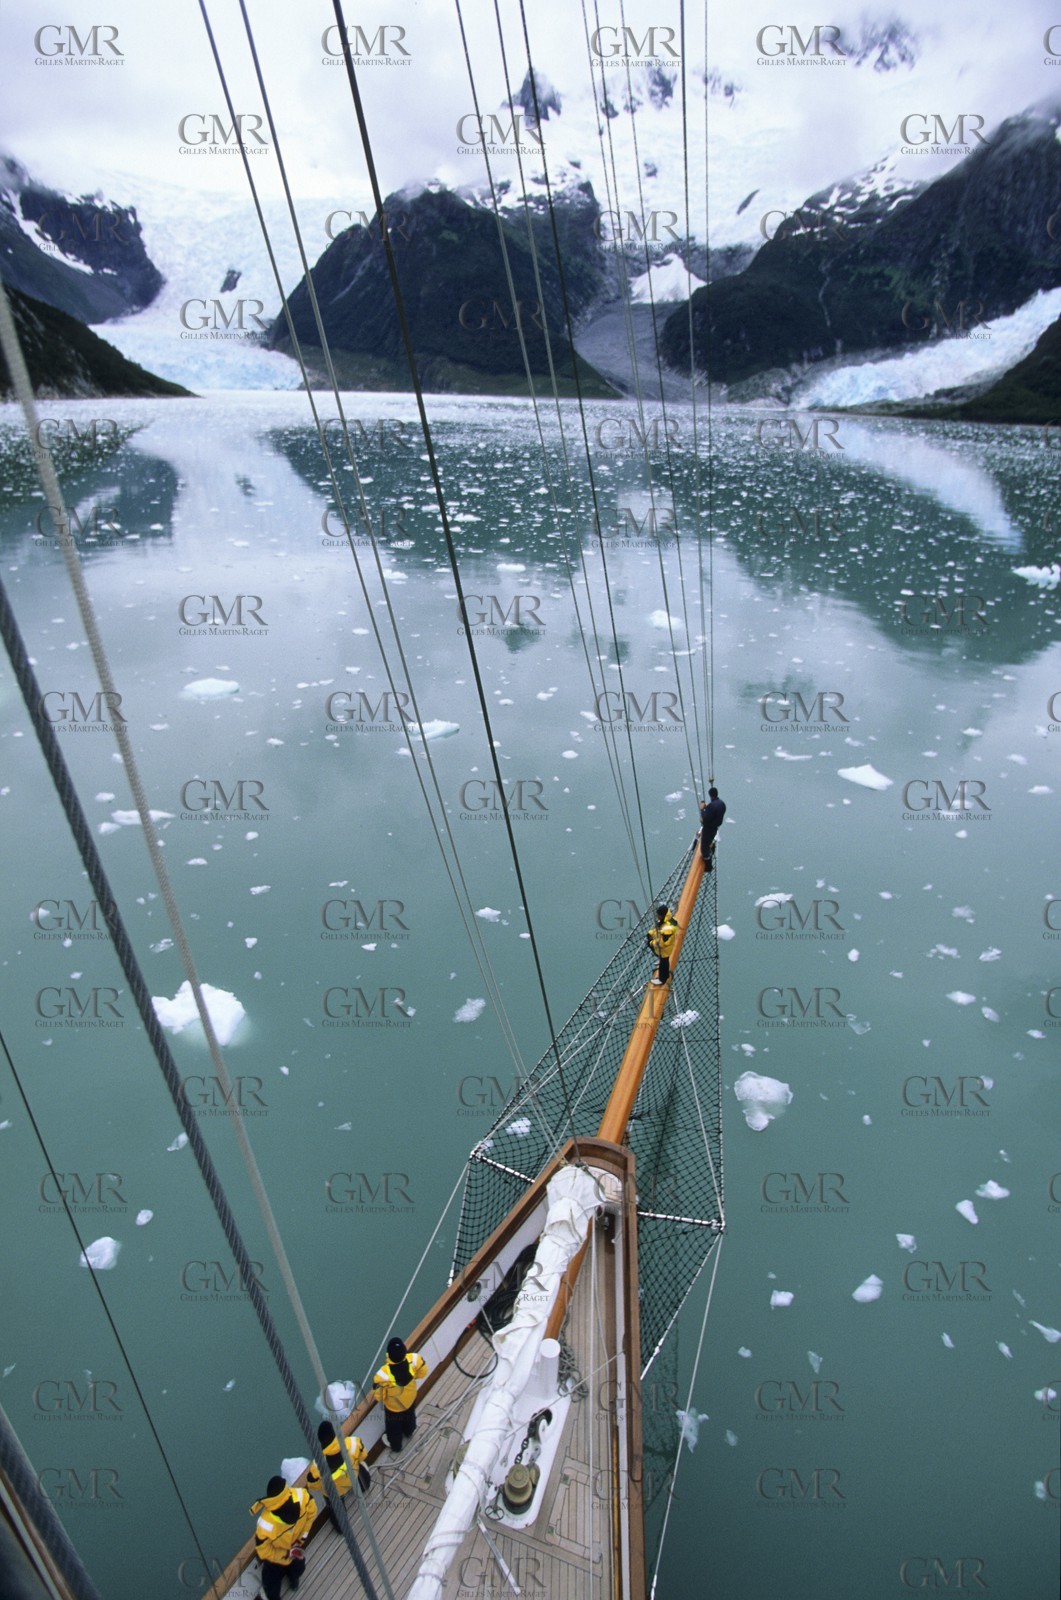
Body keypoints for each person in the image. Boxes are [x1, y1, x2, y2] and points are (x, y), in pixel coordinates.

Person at [251, 1475, 317, 1600]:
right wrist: (286, 1553)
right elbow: (264, 1551)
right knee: (277, 1581)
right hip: (280, 1554)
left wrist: (300, 1540)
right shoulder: (303, 1496)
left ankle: (292, 1580)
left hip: (289, 1550)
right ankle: (288, 1585)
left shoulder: (265, 1524)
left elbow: (262, 1549)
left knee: (292, 1570)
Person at [372, 1336, 428, 1453]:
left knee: (394, 1428)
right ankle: (409, 1431)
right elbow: (423, 1372)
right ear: (404, 1350)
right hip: (410, 1399)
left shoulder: (382, 1375)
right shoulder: (414, 1359)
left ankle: (396, 1446)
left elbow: (379, 1396)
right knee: (410, 1416)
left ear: (388, 1354)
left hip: (394, 1408)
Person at [307, 1419, 371, 1516]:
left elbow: (313, 1486)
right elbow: (363, 1455)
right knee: (359, 1467)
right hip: (352, 1476)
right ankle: (364, 1486)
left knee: (334, 1506)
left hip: (335, 1491)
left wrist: (323, 1489)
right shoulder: (352, 1443)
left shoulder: (317, 1465)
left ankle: (340, 1526)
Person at [647, 904, 679, 986]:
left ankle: (662, 979)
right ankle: (660, 960)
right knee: (662, 959)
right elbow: (659, 929)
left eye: (659, 915)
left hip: (665, 949)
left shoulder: (668, 929)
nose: (658, 916)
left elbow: (663, 943)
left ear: (663, 915)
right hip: (664, 946)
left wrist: (652, 942)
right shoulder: (666, 921)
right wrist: (651, 933)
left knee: (664, 964)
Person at [699, 786, 726, 870]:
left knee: (704, 849)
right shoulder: (722, 804)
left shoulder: (712, 806)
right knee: (709, 841)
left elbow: (706, 818)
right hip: (715, 828)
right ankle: (711, 848)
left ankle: (708, 866)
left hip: (708, 829)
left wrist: (703, 810)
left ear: (710, 795)